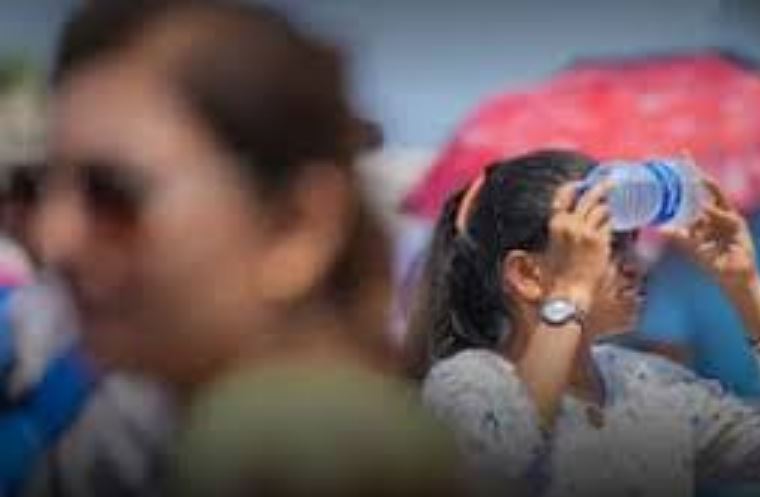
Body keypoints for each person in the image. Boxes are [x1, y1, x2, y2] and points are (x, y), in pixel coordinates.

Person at [26, 0, 450, 495]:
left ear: (295, 225)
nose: (54, 237)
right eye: (37, 188)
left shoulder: (283, 453)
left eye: (113, 193)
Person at [412, 149, 760, 497]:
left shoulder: (652, 384)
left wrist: (745, 289)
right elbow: (502, 464)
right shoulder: (466, 386)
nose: (635, 265)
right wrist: (570, 293)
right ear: (526, 274)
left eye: (632, 243)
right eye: (604, 246)